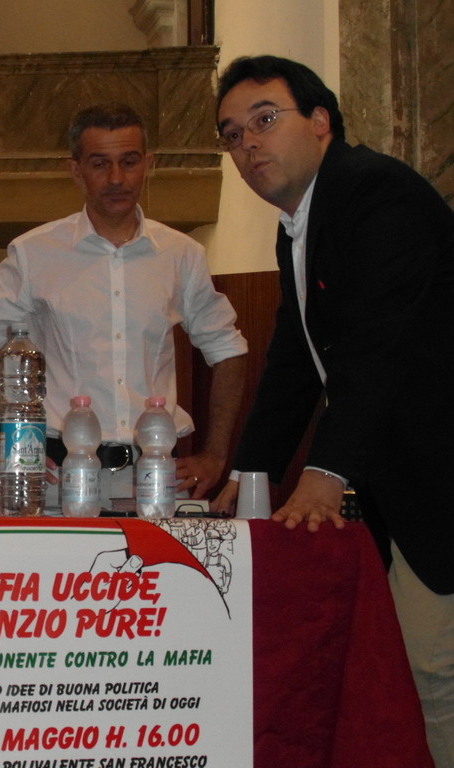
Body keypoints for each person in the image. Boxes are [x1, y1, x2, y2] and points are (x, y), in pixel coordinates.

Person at [214, 55, 454, 766]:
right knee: (401, 672)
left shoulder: (377, 193)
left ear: (321, 121)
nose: (248, 144)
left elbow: (379, 349)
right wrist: (249, 477)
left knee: (434, 674)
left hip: (438, 472)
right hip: (396, 476)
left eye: (264, 119)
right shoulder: (299, 223)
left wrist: (323, 474)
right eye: (232, 135)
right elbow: (293, 364)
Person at [0, 104, 249, 501]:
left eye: (129, 162)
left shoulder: (181, 255)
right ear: (76, 171)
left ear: (148, 164)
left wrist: (215, 455)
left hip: (156, 475)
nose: (116, 178)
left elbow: (228, 350)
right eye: (99, 164)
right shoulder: (35, 253)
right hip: (57, 478)